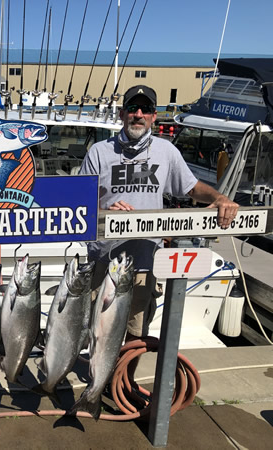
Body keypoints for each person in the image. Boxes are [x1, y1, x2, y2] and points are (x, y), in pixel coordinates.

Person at [79, 85, 239, 341]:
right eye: (133, 108)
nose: (138, 114)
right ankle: (100, 381)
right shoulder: (99, 152)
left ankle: (123, 382)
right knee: (98, 335)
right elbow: (80, 204)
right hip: (104, 262)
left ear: (154, 116)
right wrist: (105, 211)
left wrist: (219, 198)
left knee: (136, 335)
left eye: (146, 109)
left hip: (144, 264)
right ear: (122, 114)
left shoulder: (167, 152)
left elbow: (192, 188)